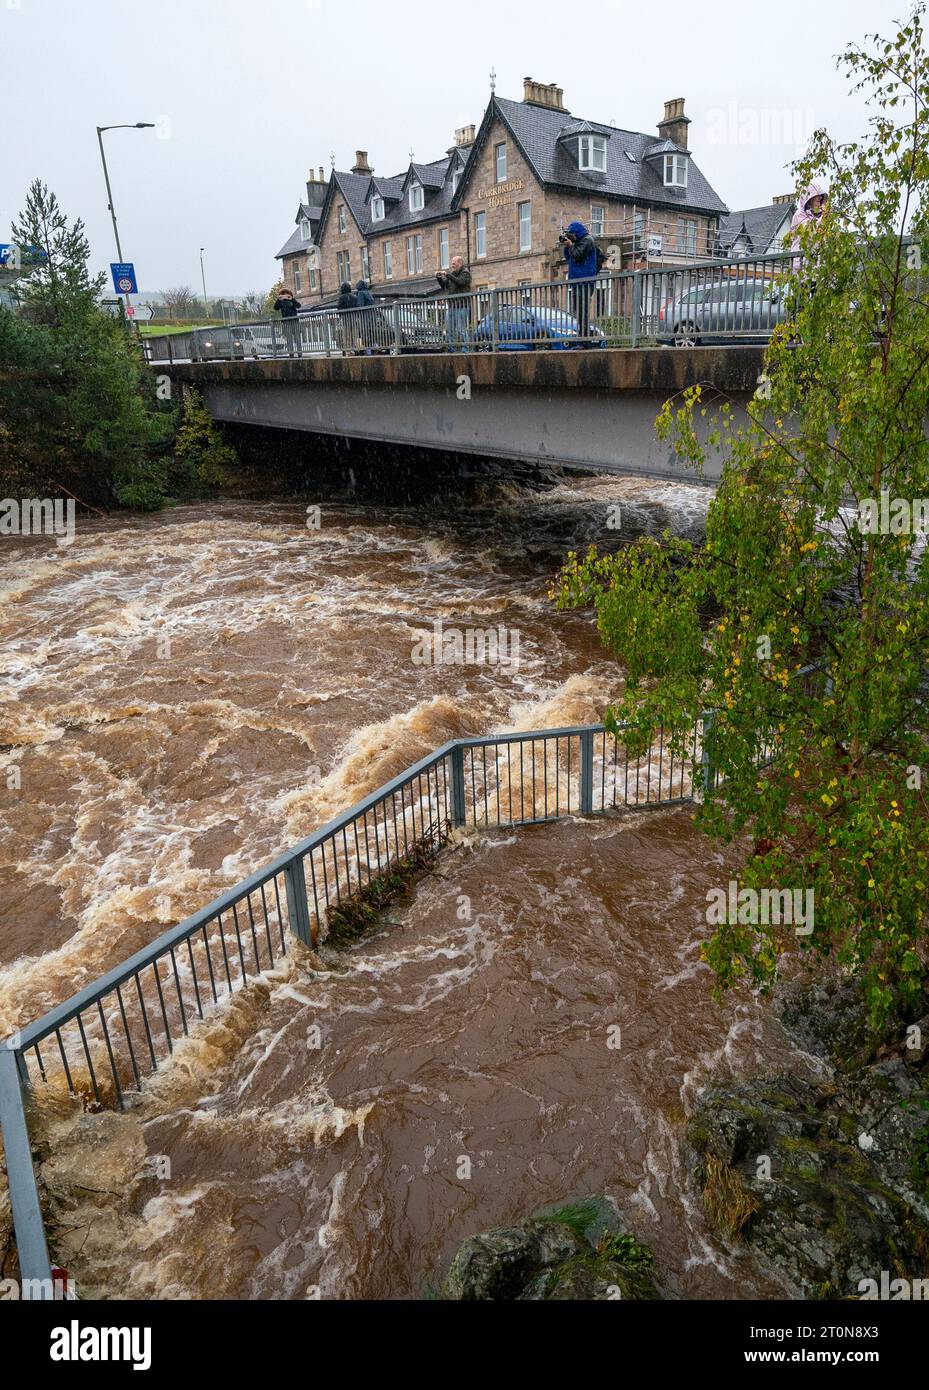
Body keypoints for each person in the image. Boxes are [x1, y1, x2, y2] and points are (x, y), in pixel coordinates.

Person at [561, 221, 598, 339]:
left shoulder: (588, 240)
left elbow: (577, 255)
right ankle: (582, 335)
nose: (570, 236)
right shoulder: (577, 242)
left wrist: (571, 245)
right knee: (578, 310)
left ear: (576, 233)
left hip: (585, 281)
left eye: (571, 234)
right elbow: (569, 257)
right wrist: (567, 245)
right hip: (576, 281)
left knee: (583, 310)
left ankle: (585, 337)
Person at [790, 182, 828, 271]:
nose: (819, 203)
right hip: (801, 264)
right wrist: (824, 218)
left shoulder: (818, 215)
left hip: (816, 264)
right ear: (809, 199)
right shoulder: (799, 215)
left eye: (820, 200)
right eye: (817, 200)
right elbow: (811, 233)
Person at [436, 255, 472, 349]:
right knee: (449, 329)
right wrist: (439, 278)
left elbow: (460, 282)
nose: (452, 266)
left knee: (461, 329)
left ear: (460, 263)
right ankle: (451, 348)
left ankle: (465, 349)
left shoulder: (465, 273)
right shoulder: (452, 274)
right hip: (452, 306)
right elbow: (445, 286)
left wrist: (448, 275)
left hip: (462, 306)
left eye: (454, 264)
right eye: (452, 264)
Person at [273, 287, 301, 356]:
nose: (285, 296)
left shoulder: (292, 300)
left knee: (297, 338)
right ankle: (291, 353)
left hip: (295, 321)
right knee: (289, 339)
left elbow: (299, 306)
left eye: (287, 294)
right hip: (286, 322)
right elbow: (276, 308)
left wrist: (292, 299)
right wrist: (279, 300)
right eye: (283, 294)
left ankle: (299, 353)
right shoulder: (281, 301)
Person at [355, 278, 377, 353]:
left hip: (365, 316)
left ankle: (368, 351)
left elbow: (360, 305)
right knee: (371, 332)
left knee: (365, 333)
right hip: (371, 316)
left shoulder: (361, 293)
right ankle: (374, 346)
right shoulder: (368, 292)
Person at [337, 281, 358, 354]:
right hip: (353, 318)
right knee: (354, 334)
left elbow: (339, 308)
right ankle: (355, 348)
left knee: (347, 335)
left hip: (345, 318)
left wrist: (340, 316)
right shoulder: (354, 297)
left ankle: (349, 350)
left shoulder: (341, 297)